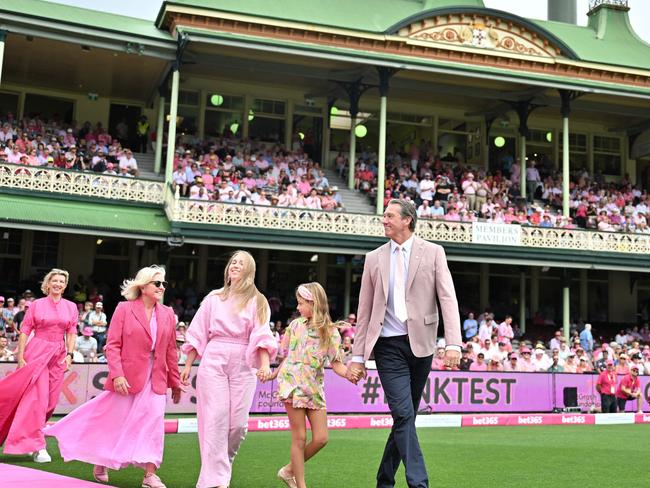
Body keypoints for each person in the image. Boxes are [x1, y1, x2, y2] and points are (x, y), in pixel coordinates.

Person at [347, 199, 462, 488]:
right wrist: (358, 356)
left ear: (407, 220)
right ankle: (418, 482)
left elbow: (447, 298)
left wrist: (454, 344)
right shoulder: (374, 258)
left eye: (389, 215)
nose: (383, 220)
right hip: (387, 346)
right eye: (384, 216)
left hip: (421, 345)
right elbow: (364, 309)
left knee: (404, 417)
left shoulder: (434, 252)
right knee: (402, 413)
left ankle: (384, 479)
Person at [45, 265, 183, 488]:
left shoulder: (167, 314)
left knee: (154, 422)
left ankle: (149, 474)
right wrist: (117, 375)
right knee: (113, 419)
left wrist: (175, 382)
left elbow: (170, 351)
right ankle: (101, 459)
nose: (162, 287)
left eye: (164, 284)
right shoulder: (124, 308)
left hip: (156, 378)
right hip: (127, 377)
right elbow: (113, 345)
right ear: (143, 286)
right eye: (157, 283)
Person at [180, 250, 277, 488]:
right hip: (214, 358)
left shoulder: (258, 301)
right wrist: (188, 364)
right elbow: (198, 332)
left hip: (244, 361)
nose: (234, 265)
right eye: (232, 262)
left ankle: (220, 468)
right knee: (215, 420)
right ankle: (216, 482)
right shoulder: (213, 298)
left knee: (238, 425)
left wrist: (264, 364)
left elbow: (261, 334)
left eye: (241, 263)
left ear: (250, 270)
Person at [269, 282, 348, 488]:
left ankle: (288, 470)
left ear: (314, 304)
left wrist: (351, 374)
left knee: (321, 438)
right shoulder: (295, 326)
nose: (297, 307)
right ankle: (300, 485)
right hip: (292, 386)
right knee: (300, 437)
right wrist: (273, 374)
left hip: (314, 389)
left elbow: (337, 365)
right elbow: (287, 357)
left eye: (301, 303)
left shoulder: (330, 332)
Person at [0, 269, 77, 463]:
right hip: (37, 352)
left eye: (62, 281)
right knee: (38, 400)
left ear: (65, 285)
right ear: (48, 284)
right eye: (55, 280)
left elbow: (72, 332)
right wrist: (20, 356)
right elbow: (25, 330)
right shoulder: (36, 305)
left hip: (59, 356)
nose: (58, 284)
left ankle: (28, 439)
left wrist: (69, 354)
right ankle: (38, 446)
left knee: (50, 404)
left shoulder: (71, 307)